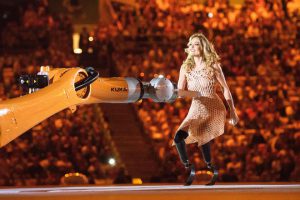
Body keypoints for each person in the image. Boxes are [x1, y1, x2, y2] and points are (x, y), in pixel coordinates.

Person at [173, 33, 239, 185]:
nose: (192, 46)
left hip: (213, 104)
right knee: (178, 137)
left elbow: (225, 89)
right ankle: (195, 167)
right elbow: (180, 92)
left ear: (203, 47)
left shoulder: (213, 65)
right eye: (190, 44)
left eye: (196, 44)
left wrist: (232, 111)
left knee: (202, 135)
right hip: (196, 105)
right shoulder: (185, 67)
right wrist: (169, 92)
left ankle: (209, 167)